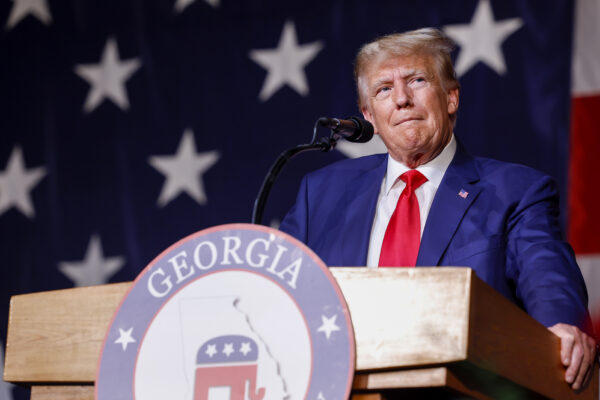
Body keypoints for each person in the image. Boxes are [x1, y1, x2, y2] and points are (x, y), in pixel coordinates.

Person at [279, 28, 596, 391]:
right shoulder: (320, 194)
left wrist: (561, 327)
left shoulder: (516, 191)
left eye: (417, 80)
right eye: (384, 89)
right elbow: (278, 290)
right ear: (369, 115)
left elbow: (547, 277)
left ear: (450, 98)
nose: (401, 99)